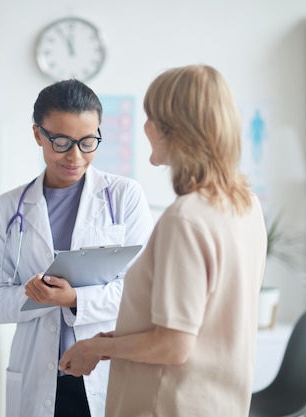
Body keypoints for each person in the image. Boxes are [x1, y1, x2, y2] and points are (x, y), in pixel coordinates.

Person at [59, 65, 268, 417]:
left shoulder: (185, 219)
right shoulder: (245, 206)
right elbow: (205, 322)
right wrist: (113, 340)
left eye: (150, 117)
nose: (145, 127)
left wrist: (93, 349)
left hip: (168, 405)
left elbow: (172, 346)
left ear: (175, 130)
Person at [0, 79, 154, 417]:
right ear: (37, 135)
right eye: (61, 142)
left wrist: (74, 299)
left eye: (88, 142)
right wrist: (37, 297)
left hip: (103, 368)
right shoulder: (8, 207)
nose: (75, 156)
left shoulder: (124, 196)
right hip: (37, 372)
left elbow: (142, 292)